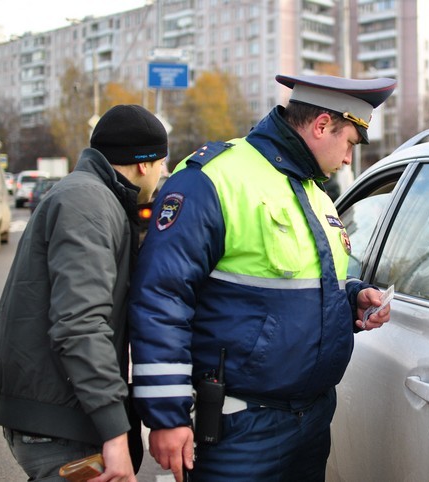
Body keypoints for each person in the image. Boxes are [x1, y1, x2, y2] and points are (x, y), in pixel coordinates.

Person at [129, 74, 396, 481]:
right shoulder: (214, 178)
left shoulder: (314, 193)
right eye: (350, 145)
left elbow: (297, 287)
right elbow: (161, 297)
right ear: (322, 125)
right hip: (241, 428)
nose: (347, 160)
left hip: (311, 419)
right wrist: (167, 416)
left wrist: (352, 298)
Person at [0, 104, 168, 482]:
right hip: (62, 422)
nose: (163, 174)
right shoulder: (89, 202)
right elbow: (80, 322)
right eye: (162, 164)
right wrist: (115, 432)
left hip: (56, 411)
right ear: (143, 165)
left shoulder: (87, 194)